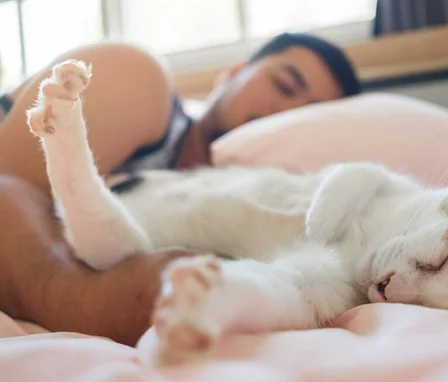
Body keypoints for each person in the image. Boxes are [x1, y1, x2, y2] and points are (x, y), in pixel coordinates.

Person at [0, 33, 361, 346]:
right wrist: (84, 299)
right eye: (283, 86)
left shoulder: (240, 217)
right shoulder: (142, 85)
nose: (287, 113)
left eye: (309, 115)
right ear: (234, 73)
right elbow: (7, 182)